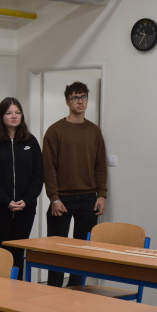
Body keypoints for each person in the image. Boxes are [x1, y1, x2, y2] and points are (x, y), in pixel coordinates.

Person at [42, 82, 108, 287]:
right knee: (57, 251)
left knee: (82, 252)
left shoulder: (94, 131)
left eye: (84, 97)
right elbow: (48, 168)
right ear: (67, 101)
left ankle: (76, 292)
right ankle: (53, 292)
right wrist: (53, 198)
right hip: (62, 199)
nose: (80, 101)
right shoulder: (55, 131)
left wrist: (102, 194)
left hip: (88, 199)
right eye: (75, 98)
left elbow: (100, 165)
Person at [0, 97, 44, 276]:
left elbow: (38, 175)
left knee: (18, 255)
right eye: (9, 113)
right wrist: (5, 200)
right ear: (1, 116)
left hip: (25, 210)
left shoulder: (30, 141)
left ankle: (16, 289)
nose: (14, 116)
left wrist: (27, 199)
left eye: (17, 113)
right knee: (0, 255)